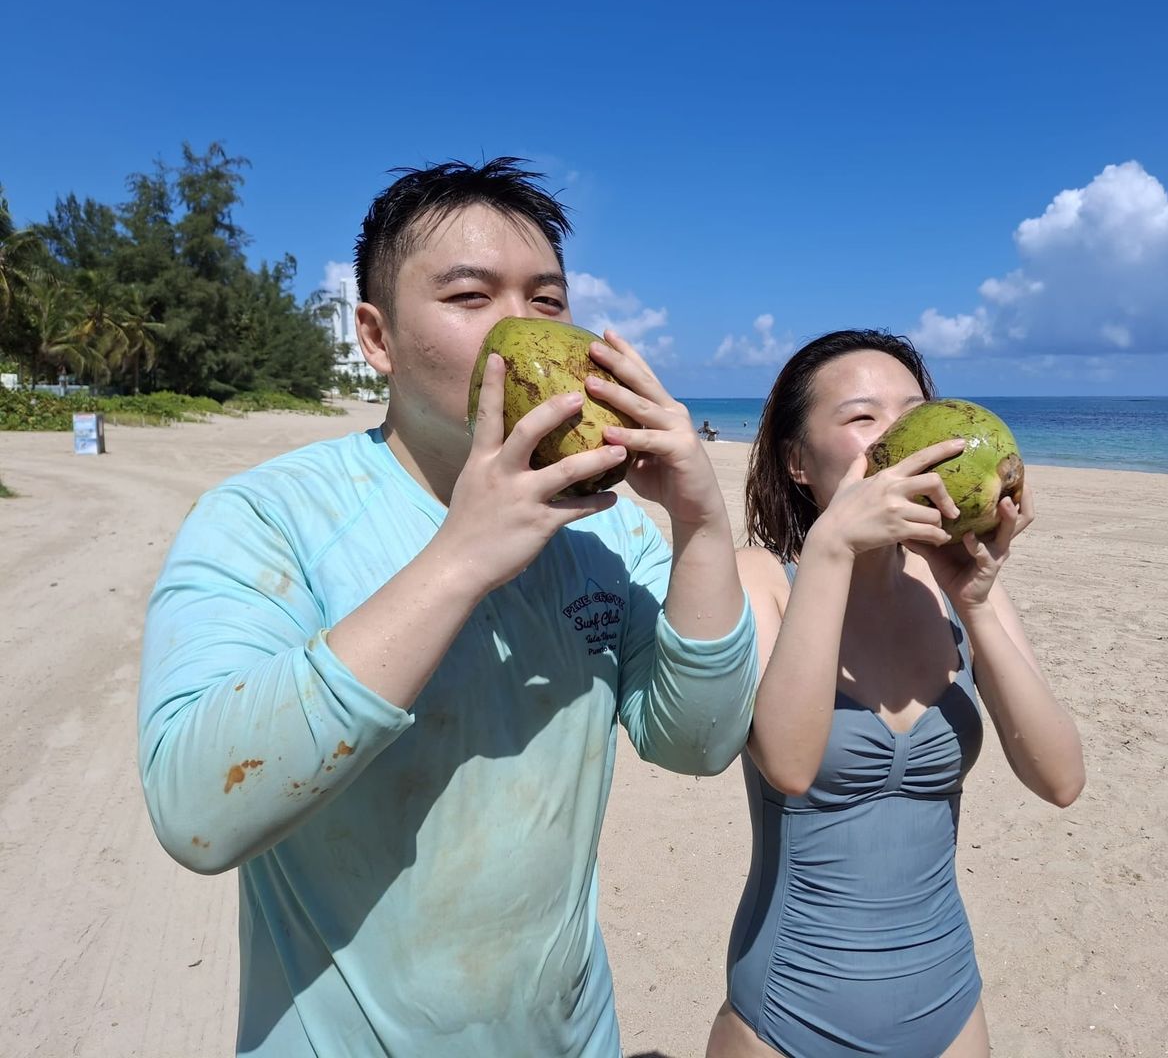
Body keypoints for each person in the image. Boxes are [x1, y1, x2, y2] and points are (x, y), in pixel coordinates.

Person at [137, 159, 759, 1057]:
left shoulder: (606, 531)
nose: (519, 327)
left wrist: (700, 526)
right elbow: (197, 812)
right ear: (377, 338)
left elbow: (696, 743)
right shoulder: (268, 516)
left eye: (547, 301)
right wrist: (459, 558)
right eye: (470, 296)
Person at [705, 330, 1085, 1058]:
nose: (899, 438)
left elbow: (1061, 779)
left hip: (950, 1005)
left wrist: (975, 604)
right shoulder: (761, 581)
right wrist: (833, 547)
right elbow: (789, 763)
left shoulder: (958, 593)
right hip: (786, 1015)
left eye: (913, 413)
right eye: (862, 417)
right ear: (796, 461)